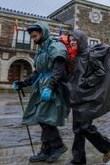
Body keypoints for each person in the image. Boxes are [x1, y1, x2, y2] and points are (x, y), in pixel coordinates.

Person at [61, 30, 110, 164]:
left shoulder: (91, 55)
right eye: (70, 40)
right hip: (77, 98)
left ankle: (106, 146)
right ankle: (78, 159)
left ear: (81, 41)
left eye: (74, 40)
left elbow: (100, 73)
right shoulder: (74, 57)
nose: (72, 42)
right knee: (77, 130)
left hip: (87, 98)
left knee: (84, 127)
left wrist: (85, 82)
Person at [12, 21, 70, 163]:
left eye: (35, 35)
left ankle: (58, 146)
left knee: (44, 117)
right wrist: (24, 83)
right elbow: (38, 71)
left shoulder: (55, 47)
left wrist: (50, 87)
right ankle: (47, 149)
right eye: (32, 37)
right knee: (42, 118)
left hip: (54, 87)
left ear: (43, 33)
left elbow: (59, 70)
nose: (33, 39)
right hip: (41, 87)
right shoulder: (40, 51)